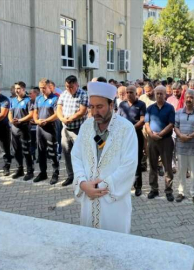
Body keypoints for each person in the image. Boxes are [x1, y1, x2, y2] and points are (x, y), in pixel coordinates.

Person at [71, 81, 138, 233]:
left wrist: (101, 187)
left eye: (99, 107)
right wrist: (82, 183)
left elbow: (129, 165)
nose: (95, 112)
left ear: (111, 105)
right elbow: (76, 156)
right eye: (92, 106)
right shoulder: (86, 126)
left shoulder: (126, 129)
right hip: (89, 198)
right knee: (90, 244)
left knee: (115, 246)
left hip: (114, 204)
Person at [145, 85, 175, 202]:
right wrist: (151, 134)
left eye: (161, 93)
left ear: (165, 94)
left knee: (167, 167)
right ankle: (154, 189)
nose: (159, 95)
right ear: (154, 94)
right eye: (157, 93)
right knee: (152, 166)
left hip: (166, 140)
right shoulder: (150, 108)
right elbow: (146, 123)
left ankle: (168, 191)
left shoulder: (170, 108)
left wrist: (161, 134)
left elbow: (171, 124)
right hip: (152, 140)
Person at [57, 75, 88, 187]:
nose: (69, 89)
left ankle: (83, 177)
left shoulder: (83, 94)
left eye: (71, 87)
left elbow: (82, 111)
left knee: (80, 154)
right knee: (67, 153)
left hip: (78, 129)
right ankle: (71, 176)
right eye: (67, 86)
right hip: (65, 129)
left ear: (76, 85)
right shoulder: (64, 94)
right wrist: (62, 118)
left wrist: (70, 119)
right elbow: (59, 109)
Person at [118, 85, 146, 196]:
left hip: (136, 135)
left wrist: (131, 128)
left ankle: (138, 186)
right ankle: (125, 185)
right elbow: (117, 119)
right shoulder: (122, 105)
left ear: (136, 94)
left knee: (136, 161)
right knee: (124, 161)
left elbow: (142, 120)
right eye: (127, 92)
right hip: (123, 137)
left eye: (131, 92)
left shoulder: (141, 104)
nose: (129, 94)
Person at [174, 89, 194, 204]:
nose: (189, 99)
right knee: (181, 171)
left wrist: (188, 137)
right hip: (181, 147)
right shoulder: (179, 112)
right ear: (184, 99)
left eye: (191, 97)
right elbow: (175, 126)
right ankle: (181, 192)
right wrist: (181, 135)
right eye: (187, 97)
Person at [33, 78, 60, 185]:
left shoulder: (55, 99)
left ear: (49, 87)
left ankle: (55, 173)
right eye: (40, 88)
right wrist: (36, 121)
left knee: (52, 152)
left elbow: (57, 114)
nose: (42, 90)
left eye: (44, 88)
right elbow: (35, 112)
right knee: (41, 151)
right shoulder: (38, 98)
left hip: (50, 128)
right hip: (39, 128)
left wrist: (46, 120)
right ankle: (43, 172)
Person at [9, 81, 34, 181]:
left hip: (24, 129)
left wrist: (20, 120)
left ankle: (30, 171)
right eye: (16, 88)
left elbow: (31, 114)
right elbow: (10, 112)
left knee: (26, 151)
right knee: (16, 151)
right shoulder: (13, 100)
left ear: (23, 89)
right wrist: (11, 120)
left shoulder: (29, 100)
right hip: (14, 128)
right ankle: (19, 170)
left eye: (18, 88)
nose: (16, 90)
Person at [29, 87, 40, 161]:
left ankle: (40, 156)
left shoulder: (40, 102)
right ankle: (32, 156)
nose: (29, 95)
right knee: (32, 142)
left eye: (31, 93)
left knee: (39, 142)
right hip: (31, 126)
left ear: (36, 93)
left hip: (39, 126)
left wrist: (36, 120)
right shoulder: (29, 102)